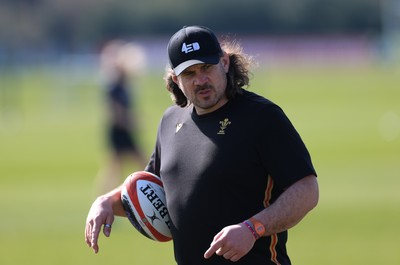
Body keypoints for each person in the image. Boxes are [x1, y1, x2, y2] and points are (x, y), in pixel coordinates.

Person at [85, 26, 319, 265]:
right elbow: (151, 190)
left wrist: (253, 228)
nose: (200, 80)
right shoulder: (170, 121)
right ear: (176, 79)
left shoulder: (262, 117)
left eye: (206, 67)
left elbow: (307, 189)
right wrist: (107, 201)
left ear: (225, 62)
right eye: (189, 73)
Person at [94, 40, 148, 194]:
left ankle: (104, 199)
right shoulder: (114, 87)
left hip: (121, 131)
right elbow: (116, 114)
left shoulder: (122, 85)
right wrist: (131, 123)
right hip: (119, 132)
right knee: (139, 165)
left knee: (115, 169)